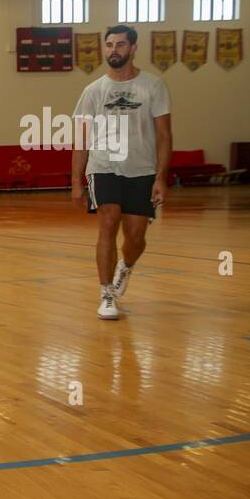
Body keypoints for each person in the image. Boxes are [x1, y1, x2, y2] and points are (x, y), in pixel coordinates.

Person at [71, 24, 171, 321]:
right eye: (110, 45)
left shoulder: (153, 86)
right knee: (108, 222)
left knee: (136, 236)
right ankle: (106, 293)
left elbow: (165, 136)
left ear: (133, 48)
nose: (114, 50)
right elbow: (81, 138)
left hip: (141, 170)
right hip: (103, 167)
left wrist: (161, 177)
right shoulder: (93, 91)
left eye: (120, 45)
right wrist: (76, 181)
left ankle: (125, 267)